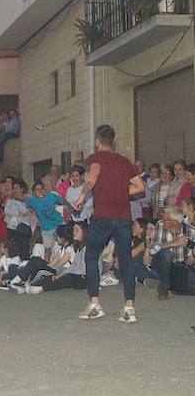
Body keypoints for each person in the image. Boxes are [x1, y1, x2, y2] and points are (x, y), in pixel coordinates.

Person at [75, 125, 145, 322]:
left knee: (91, 256)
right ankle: (129, 308)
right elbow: (141, 187)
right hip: (123, 217)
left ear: (98, 141)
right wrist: (122, 192)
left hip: (103, 216)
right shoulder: (125, 161)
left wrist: (82, 197)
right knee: (125, 260)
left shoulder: (96, 158)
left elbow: (93, 175)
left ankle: (95, 303)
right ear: (113, 141)